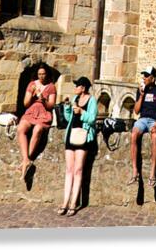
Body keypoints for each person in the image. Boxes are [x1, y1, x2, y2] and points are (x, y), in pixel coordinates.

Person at [59, 76, 98, 216]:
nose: (75, 88)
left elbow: (93, 118)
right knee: (69, 170)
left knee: (78, 170)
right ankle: (65, 202)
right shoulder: (75, 99)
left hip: (83, 137)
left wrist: (82, 112)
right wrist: (68, 109)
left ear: (83, 88)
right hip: (71, 135)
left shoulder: (92, 100)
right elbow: (69, 119)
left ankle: (74, 203)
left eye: (77, 86)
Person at [16, 63, 57, 181]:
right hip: (31, 111)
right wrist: (32, 95)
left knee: (38, 129)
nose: (41, 76)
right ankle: (26, 159)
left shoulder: (51, 87)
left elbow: (51, 105)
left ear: (47, 74)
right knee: (21, 128)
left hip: (44, 112)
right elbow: (25, 103)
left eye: (43, 74)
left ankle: (27, 159)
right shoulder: (32, 84)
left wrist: (43, 99)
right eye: (39, 74)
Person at [129, 65, 156, 187]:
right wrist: (142, 95)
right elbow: (136, 111)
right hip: (143, 119)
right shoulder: (140, 91)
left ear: (153, 78)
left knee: (155, 136)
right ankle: (135, 171)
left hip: (154, 120)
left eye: (146, 76)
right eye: (143, 75)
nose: (144, 78)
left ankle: (152, 173)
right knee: (134, 134)